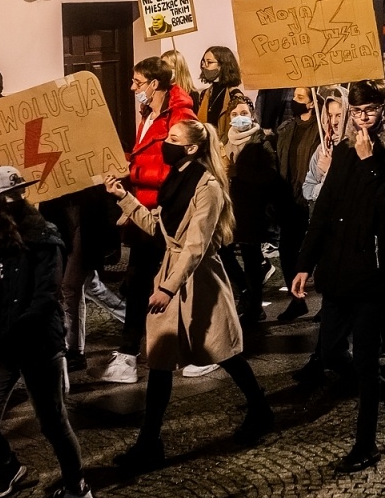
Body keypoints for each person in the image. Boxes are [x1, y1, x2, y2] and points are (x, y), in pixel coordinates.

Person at [107, 121, 274, 469]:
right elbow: (159, 228)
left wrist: (169, 287)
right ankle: (149, 441)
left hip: (199, 281)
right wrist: (124, 198)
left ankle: (260, 408)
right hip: (172, 274)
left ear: (192, 148)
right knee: (160, 361)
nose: (166, 144)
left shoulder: (207, 186)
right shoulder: (175, 181)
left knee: (224, 352)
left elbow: (196, 244)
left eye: (173, 140)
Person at [290, 80, 385, 472]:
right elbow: (325, 209)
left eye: (370, 111)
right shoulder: (344, 149)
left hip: (373, 267)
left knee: (364, 361)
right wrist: (303, 263)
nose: (362, 120)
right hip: (337, 267)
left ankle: (365, 445)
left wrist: (370, 164)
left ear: (384, 110)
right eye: (357, 112)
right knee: (330, 353)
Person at [0, 166, 94, 498]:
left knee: (52, 421)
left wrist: (9, 335)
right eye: (8, 196)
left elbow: (45, 295)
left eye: (19, 194)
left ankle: (78, 492)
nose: (17, 201)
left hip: (35, 344)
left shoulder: (42, 236)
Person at [103, 57, 196, 385]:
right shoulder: (148, 114)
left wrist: (137, 178)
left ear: (154, 84)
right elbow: (145, 159)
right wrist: (126, 174)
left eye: (137, 82)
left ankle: (185, 349)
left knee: (170, 280)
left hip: (166, 213)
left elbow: (177, 163)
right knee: (141, 278)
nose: (132, 88)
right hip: (143, 209)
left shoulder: (180, 116)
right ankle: (131, 351)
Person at [222, 95, 282, 330]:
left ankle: (255, 306)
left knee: (250, 258)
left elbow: (269, 176)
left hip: (251, 208)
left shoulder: (261, 141)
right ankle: (246, 290)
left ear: (252, 116)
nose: (239, 119)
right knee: (223, 249)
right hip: (229, 207)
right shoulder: (225, 141)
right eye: (234, 115)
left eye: (243, 114)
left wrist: (238, 173)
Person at [273, 87, 320, 324]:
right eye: (294, 97)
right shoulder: (287, 128)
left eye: (300, 98)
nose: (294, 101)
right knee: (287, 251)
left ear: (312, 103)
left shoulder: (321, 131)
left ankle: (326, 300)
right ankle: (297, 300)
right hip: (288, 199)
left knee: (317, 252)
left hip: (309, 200)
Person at [195, 46, 246, 140]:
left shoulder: (235, 95)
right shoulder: (205, 94)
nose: (204, 65)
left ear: (223, 65)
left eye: (209, 62)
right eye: (203, 61)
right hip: (207, 144)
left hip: (225, 145)